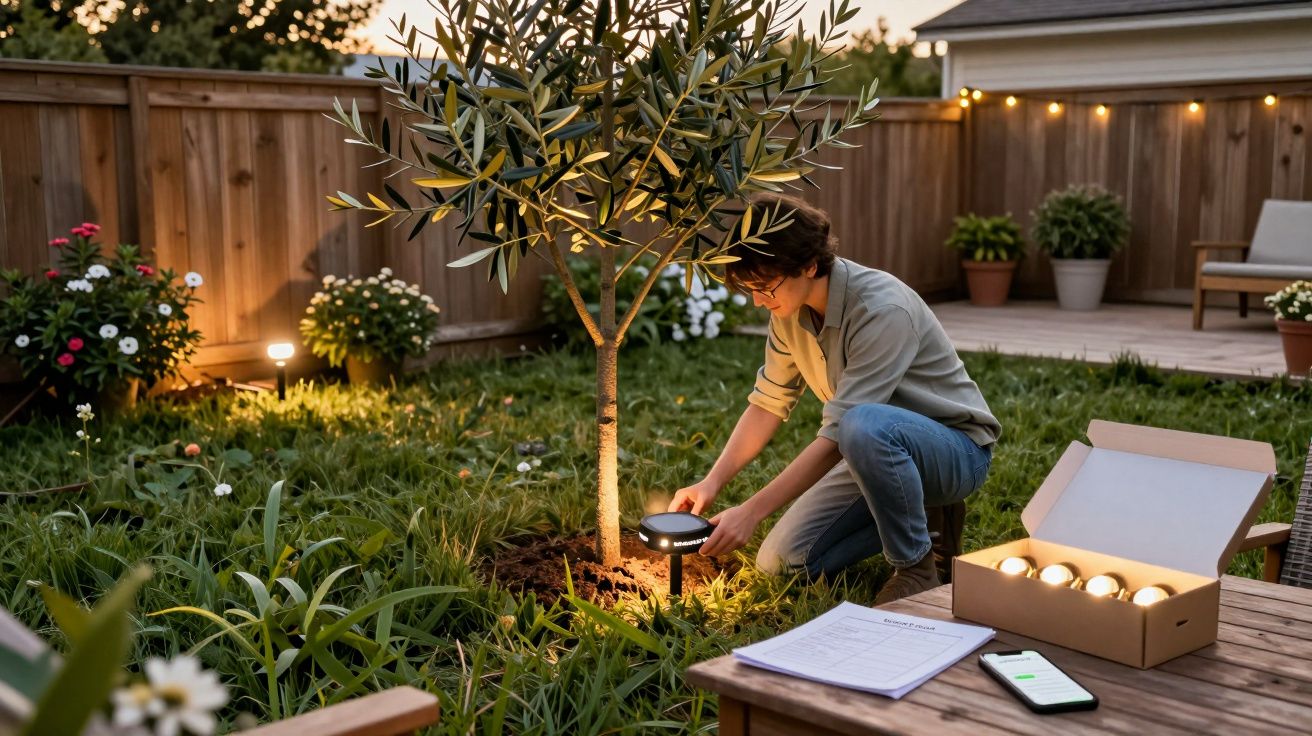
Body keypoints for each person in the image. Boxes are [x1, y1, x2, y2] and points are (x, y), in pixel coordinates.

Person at [668, 193, 1002, 604]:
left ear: (808, 265)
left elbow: (837, 437)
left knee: (860, 425)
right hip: (874, 453)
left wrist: (752, 511)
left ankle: (916, 565)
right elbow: (768, 401)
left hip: (954, 453)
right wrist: (712, 481)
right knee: (782, 563)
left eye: (764, 286)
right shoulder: (788, 311)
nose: (758, 300)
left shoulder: (882, 309)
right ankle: (922, 512)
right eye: (749, 287)